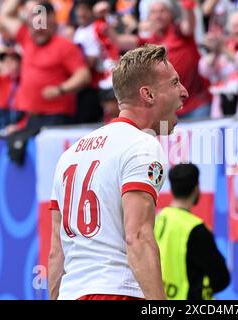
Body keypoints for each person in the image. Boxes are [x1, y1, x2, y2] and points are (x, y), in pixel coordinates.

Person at [48, 44, 189, 300]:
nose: (184, 92)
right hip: (116, 291)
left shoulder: (69, 156)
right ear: (148, 94)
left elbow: (56, 253)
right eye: (175, 83)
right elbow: (138, 237)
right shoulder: (142, 144)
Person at [0, 0, 91, 130]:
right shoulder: (27, 39)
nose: (38, 31)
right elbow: (4, 15)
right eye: (34, 28)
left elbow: (83, 75)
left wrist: (61, 89)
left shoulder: (64, 46)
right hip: (31, 117)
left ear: (51, 22)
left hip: (56, 117)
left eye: (42, 27)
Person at [154, 163, 230, 300]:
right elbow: (221, 279)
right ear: (196, 188)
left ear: (172, 189)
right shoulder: (196, 229)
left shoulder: (157, 220)